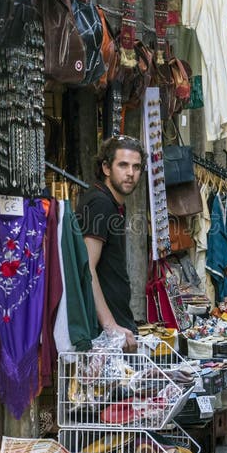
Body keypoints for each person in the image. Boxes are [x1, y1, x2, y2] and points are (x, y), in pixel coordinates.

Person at [77, 136, 146, 352]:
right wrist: (110, 326)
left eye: (136, 167)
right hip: (104, 333)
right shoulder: (101, 203)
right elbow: (87, 268)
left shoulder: (112, 203)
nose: (130, 173)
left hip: (115, 327)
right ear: (106, 168)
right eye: (123, 165)